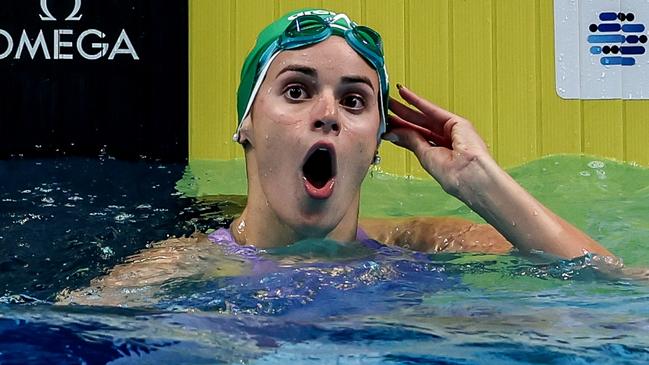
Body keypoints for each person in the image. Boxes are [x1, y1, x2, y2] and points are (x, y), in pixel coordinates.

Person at [57, 9, 624, 306]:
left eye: (354, 100)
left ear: (375, 142)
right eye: (298, 91)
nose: (328, 113)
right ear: (246, 125)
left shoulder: (431, 243)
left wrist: (479, 183)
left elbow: (621, 289)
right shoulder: (175, 269)